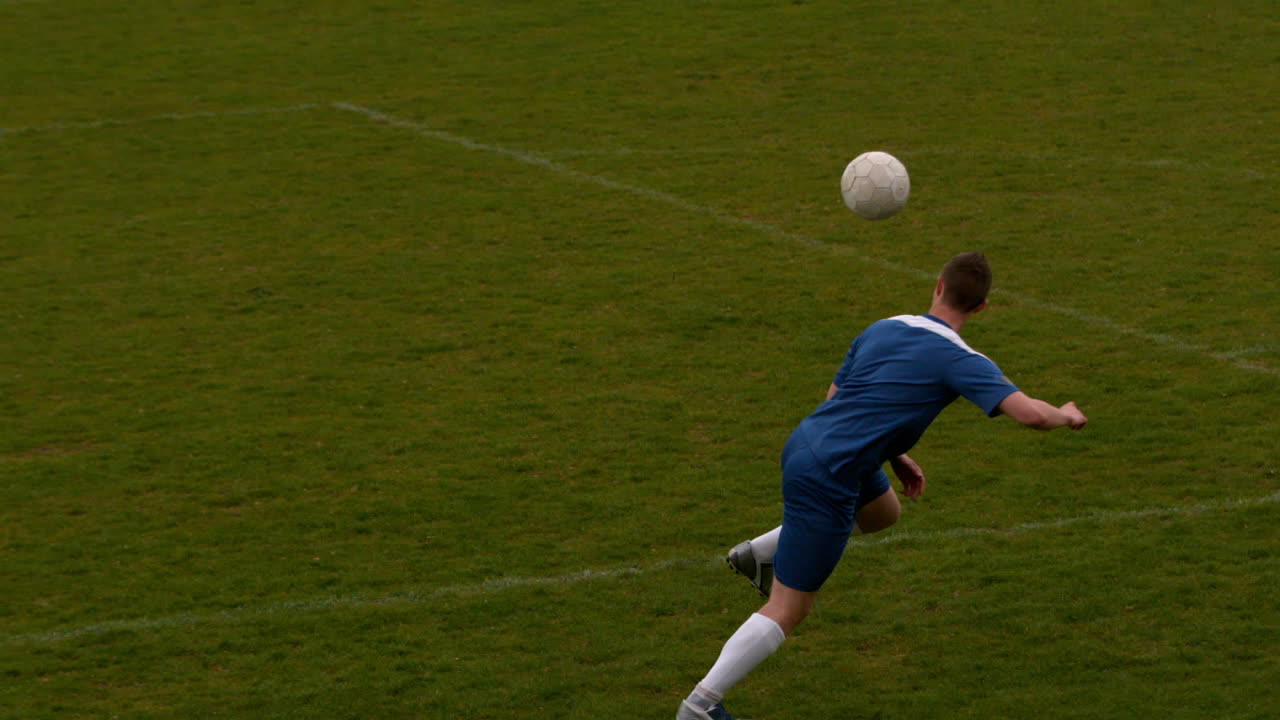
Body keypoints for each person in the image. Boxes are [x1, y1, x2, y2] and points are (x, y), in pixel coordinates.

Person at [676, 252, 1088, 720]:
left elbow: (837, 397)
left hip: (810, 441)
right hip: (832, 472)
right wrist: (1066, 414)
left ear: (937, 285)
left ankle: (759, 554)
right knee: (789, 607)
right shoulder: (961, 359)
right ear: (981, 308)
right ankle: (701, 705)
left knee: (882, 513)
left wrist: (892, 453)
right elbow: (1031, 414)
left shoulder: (886, 326)